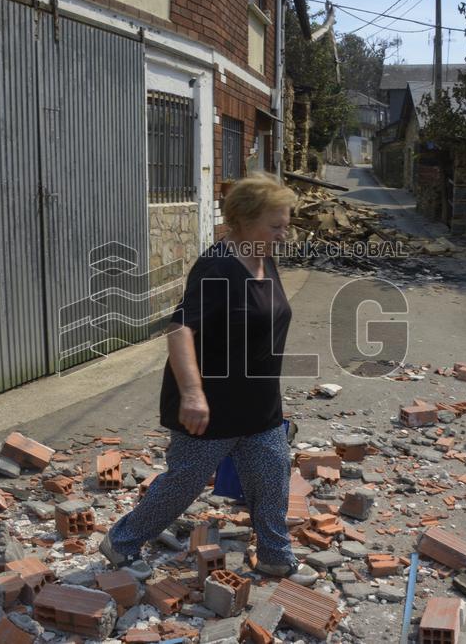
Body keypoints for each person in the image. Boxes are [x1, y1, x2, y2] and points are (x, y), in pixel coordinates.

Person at [100, 172, 317, 585]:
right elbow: (180, 329)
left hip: (258, 403)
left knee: (271, 475)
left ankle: (275, 556)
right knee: (184, 482)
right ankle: (122, 541)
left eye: (286, 224)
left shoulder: (264, 257)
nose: (284, 233)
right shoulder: (218, 266)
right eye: (276, 225)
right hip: (211, 405)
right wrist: (193, 394)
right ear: (243, 220)